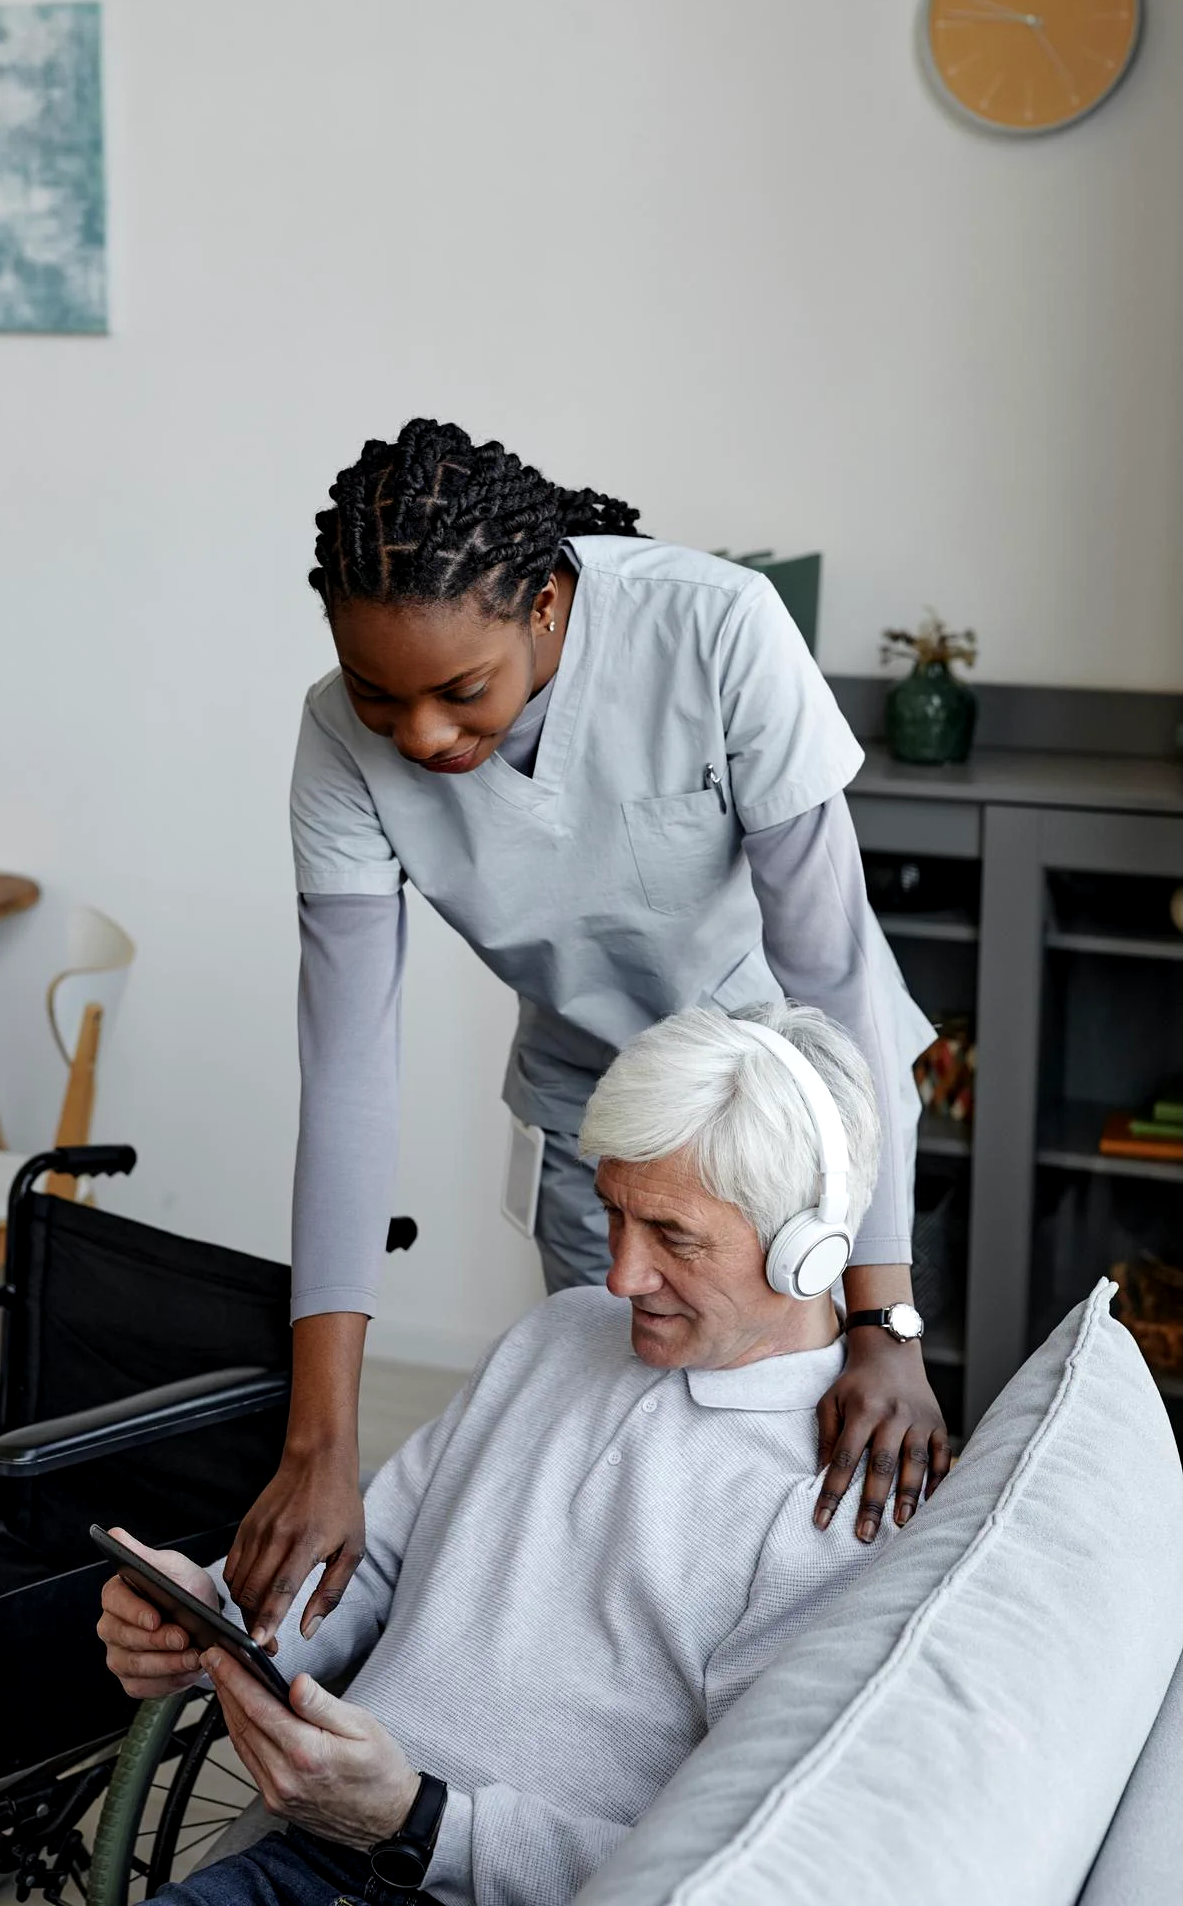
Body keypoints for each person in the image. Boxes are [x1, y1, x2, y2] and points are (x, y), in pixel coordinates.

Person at [227, 418, 946, 1649]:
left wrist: (884, 1320)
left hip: (794, 1119)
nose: (419, 737)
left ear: (549, 603)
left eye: (461, 693)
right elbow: (347, 1073)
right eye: (375, 693)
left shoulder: (714, 629)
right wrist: (321, 1442)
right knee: (629, 1451)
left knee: (804, 1466)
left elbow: (832, 970)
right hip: (597, 1119)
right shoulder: (336, 745)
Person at [99, 1004, 948, 1906]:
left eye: (672, 1235)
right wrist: (225, 1619)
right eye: (613, 1212)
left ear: (806, 1254)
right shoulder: (558, 1334)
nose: (620, 1274)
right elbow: (373, 1559)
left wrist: (421, 1822)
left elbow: (736, 1857)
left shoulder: (840, 1503)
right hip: (305, 1855)